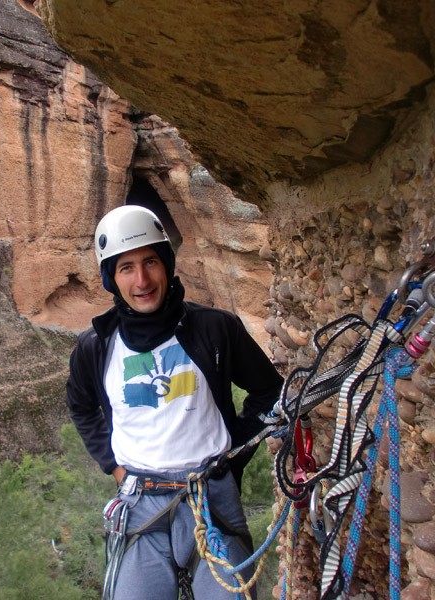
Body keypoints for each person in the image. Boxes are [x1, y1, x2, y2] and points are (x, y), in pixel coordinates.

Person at [66, 205, 284, 600]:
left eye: (151, 261)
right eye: (126, 267)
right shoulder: (95, 347)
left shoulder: (215, 329)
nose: (142, 279)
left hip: (210, 499)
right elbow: (81, 407)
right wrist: (113, 466)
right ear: (111, 279)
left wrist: (233, 454)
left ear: (167, 264)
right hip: (139, 501)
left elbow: (269, 392)